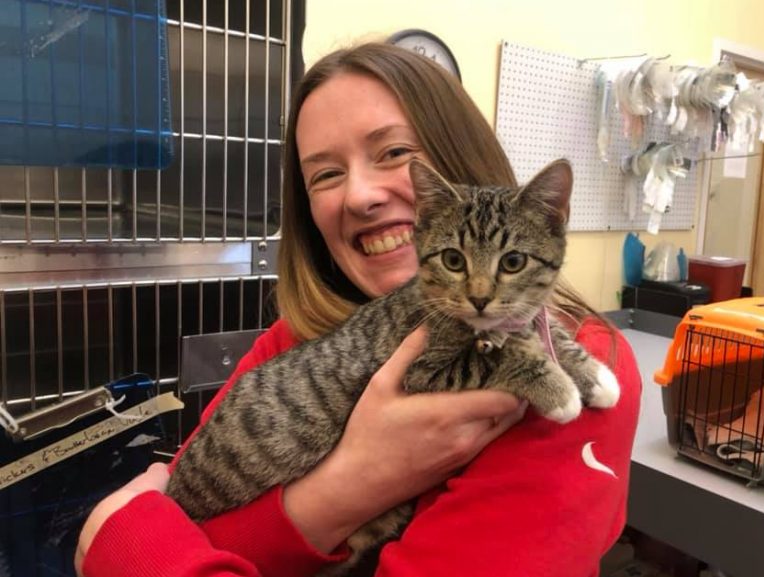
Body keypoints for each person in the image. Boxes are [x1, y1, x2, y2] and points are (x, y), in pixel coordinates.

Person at [75, 42, 641, 577]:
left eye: (394, 152)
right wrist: (346, 489)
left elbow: (156, 527)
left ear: (456, 156)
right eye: (325, 173)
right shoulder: (294, 337)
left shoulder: (580, 367)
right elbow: (192, 502)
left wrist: (128, 547)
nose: (360, 196)